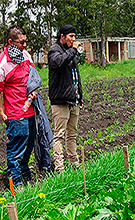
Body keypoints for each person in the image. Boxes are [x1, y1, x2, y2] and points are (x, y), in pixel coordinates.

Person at [0, 25, 38, 189]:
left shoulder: (25, 55)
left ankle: (26, 178)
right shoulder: (1, 65)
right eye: (22, 42)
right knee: (16, 149)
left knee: (29, 146)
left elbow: (33, 76)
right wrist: (1, 113)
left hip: (30, 110)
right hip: (15, 114)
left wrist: (34, 90)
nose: (25, 45)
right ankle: (16, 185)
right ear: (10, 42)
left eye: (26, 41)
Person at [48, 24, 84, 172]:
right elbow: (58, 62)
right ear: (62, 36)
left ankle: (74, 165)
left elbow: (76, 75)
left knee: (72, 134)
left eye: (74, 36)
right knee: (59, 135)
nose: (73, 39)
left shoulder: (70, 52)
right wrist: (73, 49)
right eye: (71, 36)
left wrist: (80, 95)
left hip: (73, 99)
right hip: (61, 100)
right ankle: (60, 169)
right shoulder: (54, 51)